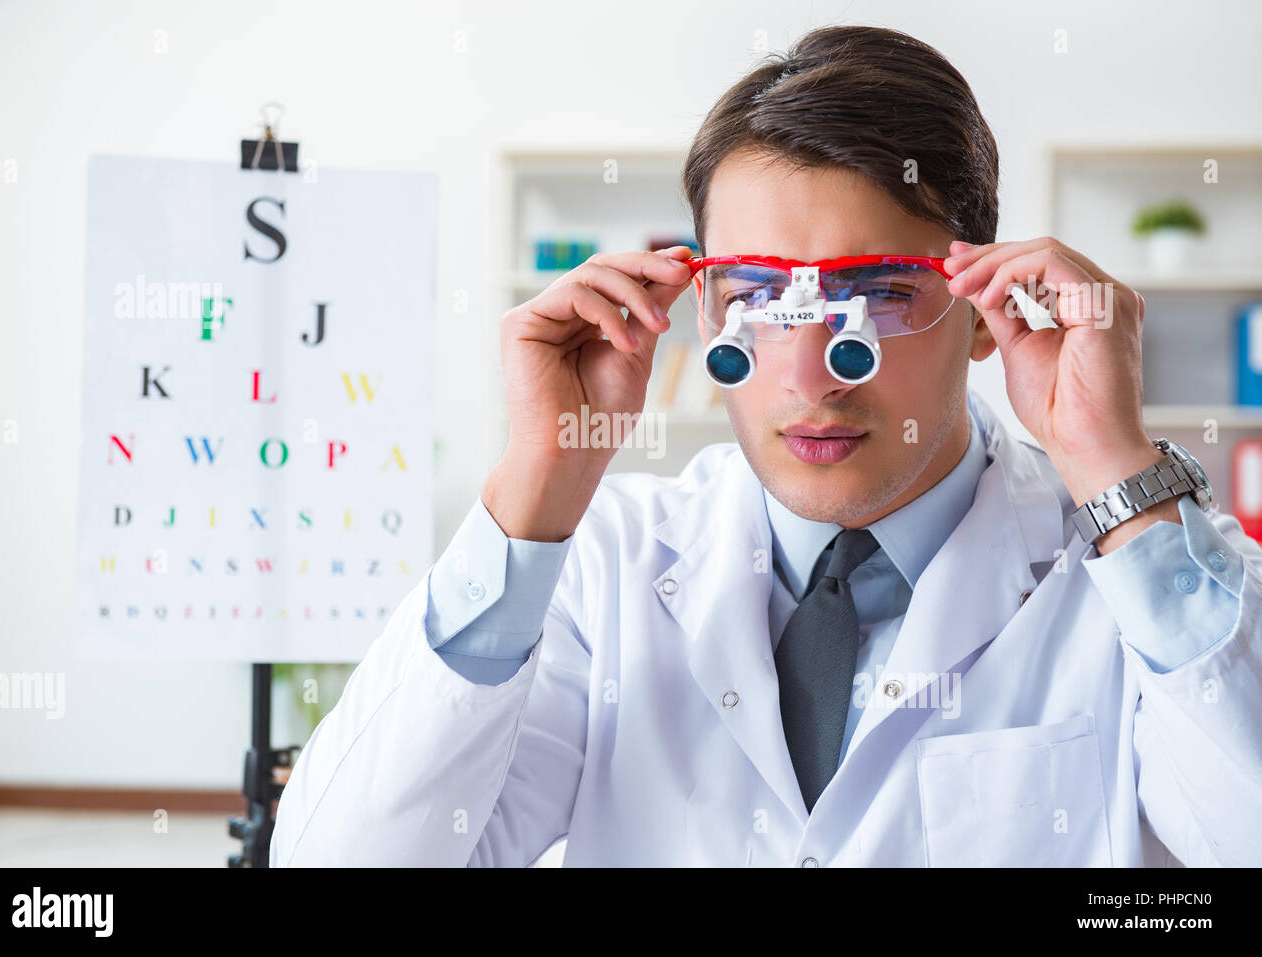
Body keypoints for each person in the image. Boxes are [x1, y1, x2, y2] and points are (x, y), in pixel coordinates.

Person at [269, 24, 1262, 867]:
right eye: (755, 299)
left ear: (979, 308)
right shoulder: (605, 566)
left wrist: (1113, 465)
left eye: (875, 294)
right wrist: (540, 476)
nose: (809, 375)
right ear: (696, 310)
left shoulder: (1139, 568)